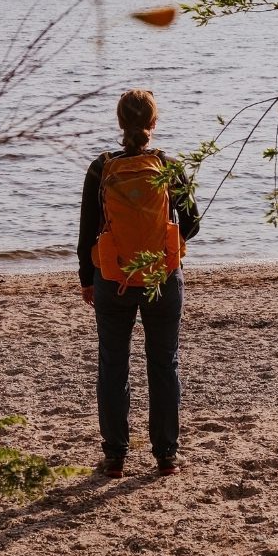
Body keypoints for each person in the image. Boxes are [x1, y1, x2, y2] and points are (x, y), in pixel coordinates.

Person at [76, 88, 201, 478]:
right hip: (162, 276)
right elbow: (193, 223)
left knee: (113, 365)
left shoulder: (101, 167)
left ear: (119, 123)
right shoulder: (169, 166)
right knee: (164, 363)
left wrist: (86, 279)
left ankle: (115, 456)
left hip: (112, 278)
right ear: (153, 123)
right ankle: (166, 456)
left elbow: (86, 233)